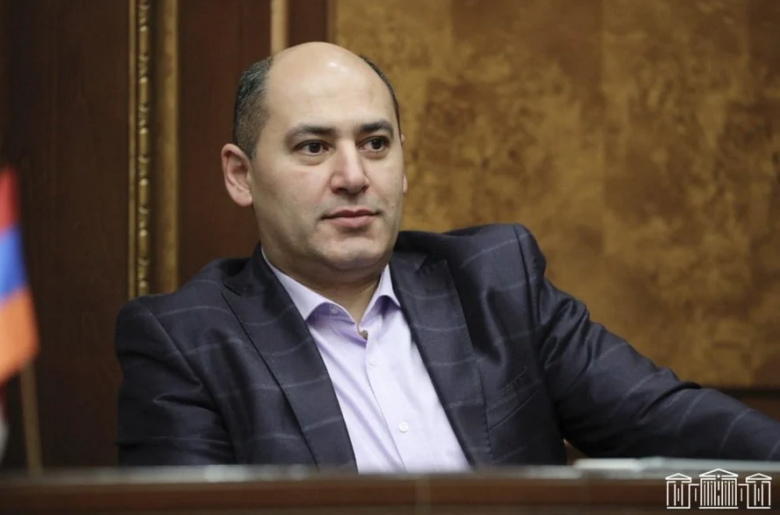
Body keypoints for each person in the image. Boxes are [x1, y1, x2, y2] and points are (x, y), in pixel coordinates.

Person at [115, 42, 780, 471]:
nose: (353, 175)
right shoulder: (187, 342)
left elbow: (669, 423)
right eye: (314, 147)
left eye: (375, 144)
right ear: (241, 175)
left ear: (403, 164)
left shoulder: (494, 282)